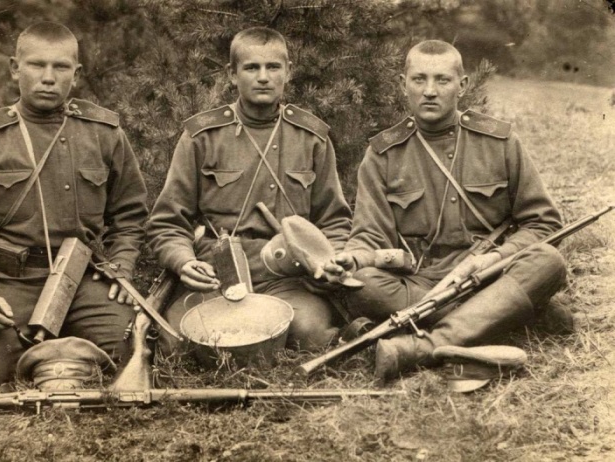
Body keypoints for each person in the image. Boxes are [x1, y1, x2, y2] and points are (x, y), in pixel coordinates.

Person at [0, 22, 148, 391]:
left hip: (81, 279)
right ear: (15, 68)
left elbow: (131, 213)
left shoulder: (104, 133)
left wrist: (122, 265)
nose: (48, 78)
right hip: (9, 282)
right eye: (36, 66)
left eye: (60, 67)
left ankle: (57, 328)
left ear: (76, 75)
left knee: (131, 348)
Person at [331, 40, 567, 381]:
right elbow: (370, 235)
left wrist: (494, 259)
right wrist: (351, 259)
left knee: (548, 261)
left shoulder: (499, 142)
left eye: (442, 80)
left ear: (463, 85)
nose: (429, 91)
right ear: (402, 84)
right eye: (419, 80)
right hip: (421, 283)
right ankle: (502, 315)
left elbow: (543, 222)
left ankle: (423, 347)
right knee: (362, 284)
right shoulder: (383, 155)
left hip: (491, 274)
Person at [147, 27, 352, 353]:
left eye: (273, 67)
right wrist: (184, 262)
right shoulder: (202, 136)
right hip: (218, 274)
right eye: (251, 68)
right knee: (175, 341)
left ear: (289, 71)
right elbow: (168, 220)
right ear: (232, 74)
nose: (263, 77)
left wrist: (333, 259)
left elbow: (335, 218)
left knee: (312, 333)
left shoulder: (312, 137)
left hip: (289, 278)